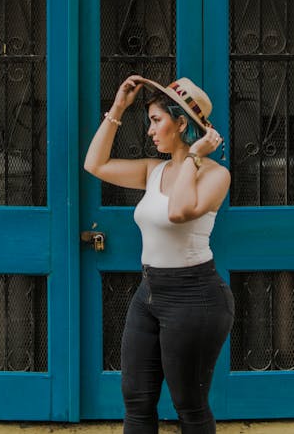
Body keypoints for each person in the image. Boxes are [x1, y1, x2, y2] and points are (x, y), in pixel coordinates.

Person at [84, 74, 234, 434]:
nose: (150, 131)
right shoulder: (154, 170)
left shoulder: (216, 175)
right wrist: (118, 108)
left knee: (190, 406)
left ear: (181, 123)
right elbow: (95, 164)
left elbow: (179, 211)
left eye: (156, 120)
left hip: (195, 296)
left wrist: (194, 158)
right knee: (136, 400)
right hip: (149, 293)